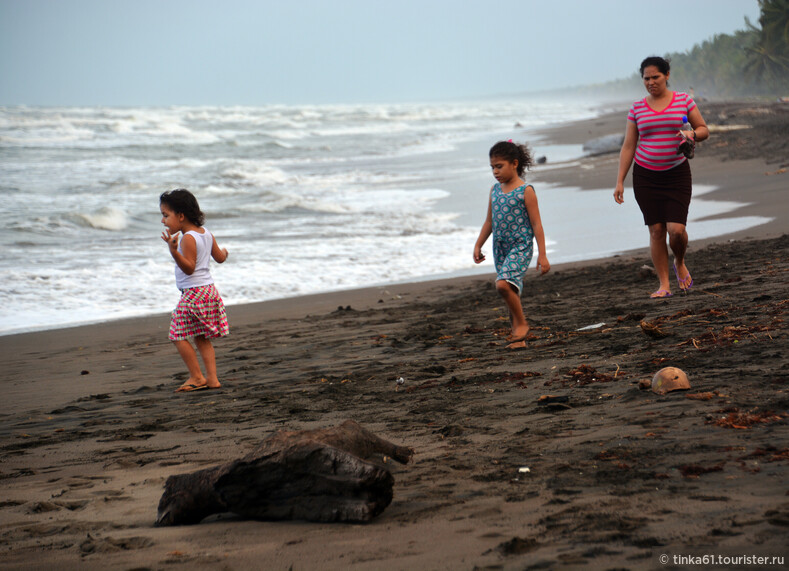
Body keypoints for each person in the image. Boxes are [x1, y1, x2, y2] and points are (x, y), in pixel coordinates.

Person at [614, 56, 709, 298]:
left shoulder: (683, 100)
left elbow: (703, 129)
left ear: (667, 75)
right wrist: (620, 181)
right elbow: (628, 146)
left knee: (676, 230)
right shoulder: (636, 108)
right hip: (646, 176)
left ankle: (679, 261)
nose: (650, 82)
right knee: (656, 230)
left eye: (655, 77)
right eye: (646, 78)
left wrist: (692, 136)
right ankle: (664, 285)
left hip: (677, 174)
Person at [473, 141, 550, 349]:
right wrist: (478, 244)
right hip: (500, 247)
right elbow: (489, 221)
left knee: (502, 284)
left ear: (514, 163)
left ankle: (522, 324)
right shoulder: (494, 191)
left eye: (499, 166)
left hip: (520, 246)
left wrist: (542, 255)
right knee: (511, 291)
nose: (495, 172)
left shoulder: (526, 191)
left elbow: (537, 224)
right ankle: (518, 339)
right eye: (492, 167)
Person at [160, 189, 229, 392]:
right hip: (208, 291)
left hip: (194, 293)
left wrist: (173, 252)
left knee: (177, 334)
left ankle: (197, 377)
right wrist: (225, 252)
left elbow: (189, 268)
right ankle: (213, 379)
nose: (163, 221)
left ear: (181, 216)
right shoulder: (206, 233)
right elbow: (220, 257)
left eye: (166, 215)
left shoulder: (188, 238)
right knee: (200, 336)